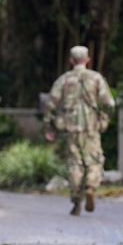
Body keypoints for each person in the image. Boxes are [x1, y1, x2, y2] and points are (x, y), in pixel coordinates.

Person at [45, 45, 115, 215]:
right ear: (87, 60)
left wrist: (49, 126)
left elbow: (51, 103)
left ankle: (76, 200)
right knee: (94, 160)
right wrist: (104, 120)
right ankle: (91, 186)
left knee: (74, 163)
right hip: (91, 127)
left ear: (71, 60)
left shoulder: (64, 79)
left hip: (70, 127)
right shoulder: (96, 78)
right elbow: (110, 104)